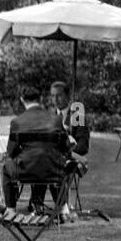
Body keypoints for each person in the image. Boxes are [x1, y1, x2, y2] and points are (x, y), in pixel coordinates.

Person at [2, 85, 67, 221]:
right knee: (59, 162)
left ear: (22, 99)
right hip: (53, 170)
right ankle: (62, 207)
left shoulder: (17, 122)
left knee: (7, 166)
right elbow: (65, 147)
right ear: (41, 99)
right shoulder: (56, 120)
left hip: (26, 170)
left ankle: (11, 209)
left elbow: (11, 152)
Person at [50, 80, 89, 220]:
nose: (55, 100)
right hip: (50, 158)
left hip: (72, 159)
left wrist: (67, 154)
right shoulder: (49, 115)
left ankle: (62, 207)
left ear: (68, 96)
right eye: (52, 96)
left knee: (59, 166)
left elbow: (84, 145)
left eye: (58, 96)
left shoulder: (77, 115)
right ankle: (36, 204)